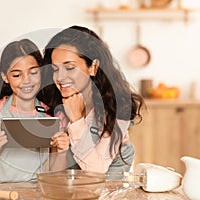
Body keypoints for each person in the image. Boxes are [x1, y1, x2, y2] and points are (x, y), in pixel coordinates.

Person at [38, 25, 145, 173]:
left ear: (93, 67)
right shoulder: (54, 105)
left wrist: (76, 120)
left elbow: (95, 171)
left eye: (69, 68)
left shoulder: (116, 107)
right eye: (55, 69)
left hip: (109, 190)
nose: (60, 77)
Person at [0, 39, 69, 183]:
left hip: (32, 194)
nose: (26, 81)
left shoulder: (53, 115)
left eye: (33, 72)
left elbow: (55, 176)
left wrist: (62, 152)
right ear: (5, 77)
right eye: (17, 75)